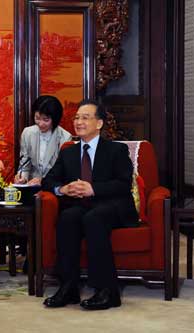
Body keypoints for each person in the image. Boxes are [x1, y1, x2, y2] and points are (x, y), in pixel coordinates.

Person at [42, 99, 138, 310]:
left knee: (93, 218)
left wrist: (93, 188)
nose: (78, 122)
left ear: (99, 123)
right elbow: (49, 181)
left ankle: (107, 290)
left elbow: (123, 184)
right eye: (76, 117)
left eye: (85, 117)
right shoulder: (68, 152)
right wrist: (63, 189)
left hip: (113, 205)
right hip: (82, 206)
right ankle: (69, 287)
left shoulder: (116, 150)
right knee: (68, 217)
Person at [14, 95, 72, 185]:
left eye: (46, 120)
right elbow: (25, 165)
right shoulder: (27, 133)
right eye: (37, 118)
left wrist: (43, 181)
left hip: (52, 187)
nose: (40, 124)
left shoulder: (65, 137)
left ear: (55, 118)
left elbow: (63, 172)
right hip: (31, 186)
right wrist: (22, 177)